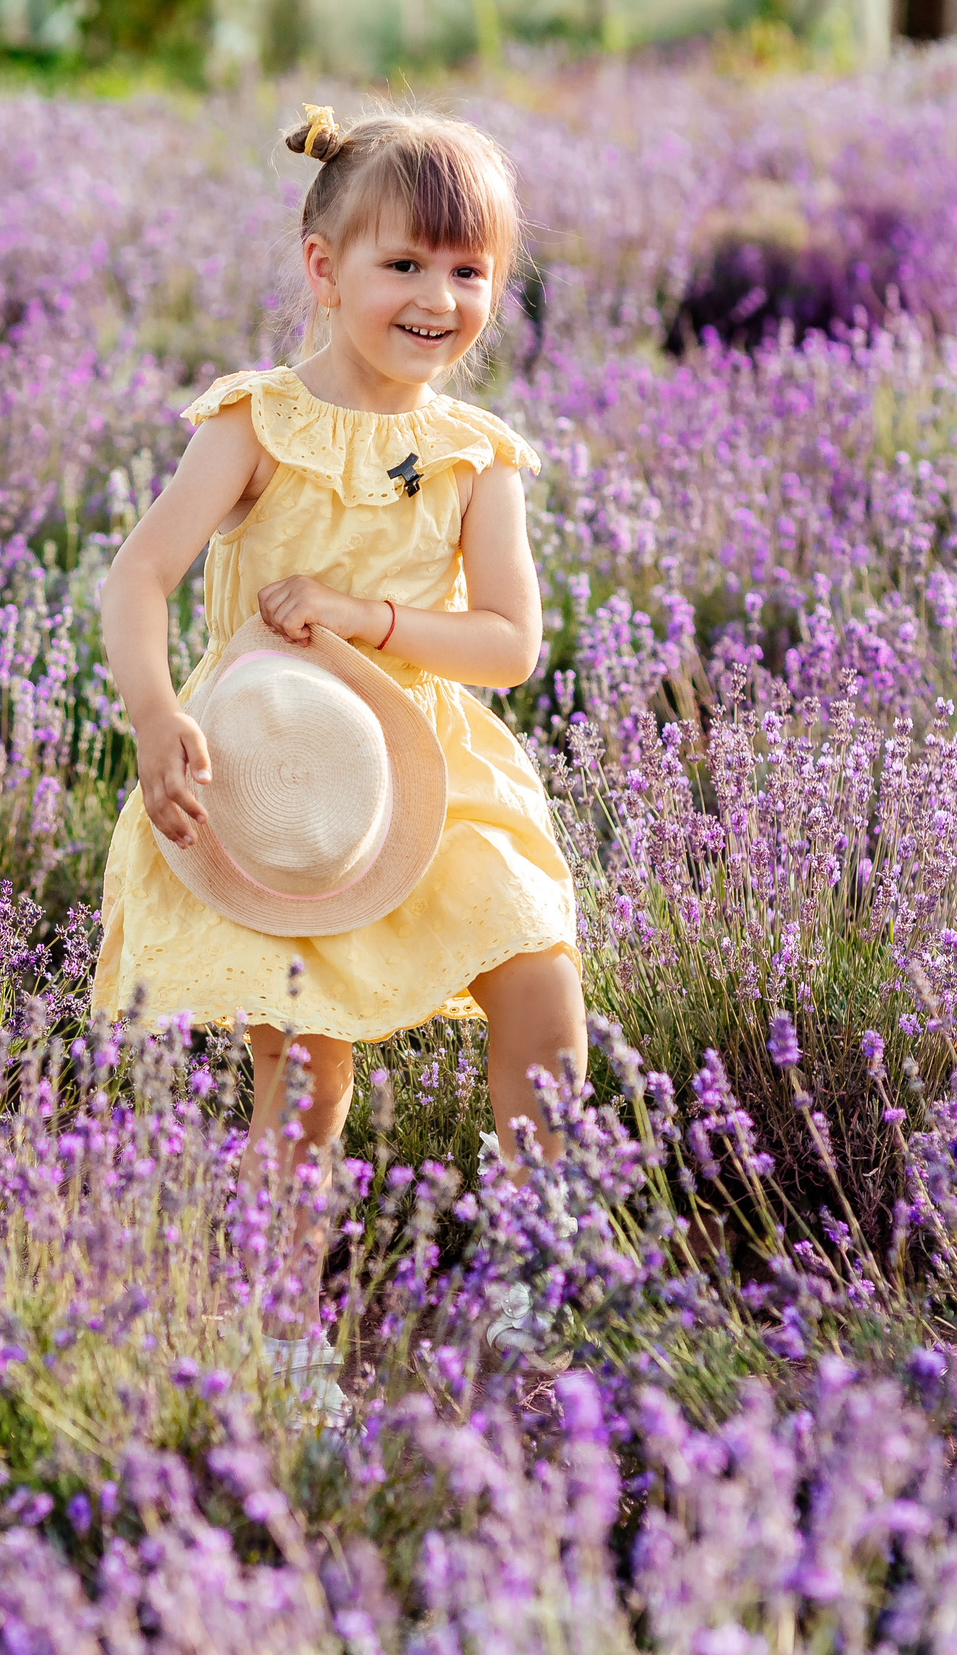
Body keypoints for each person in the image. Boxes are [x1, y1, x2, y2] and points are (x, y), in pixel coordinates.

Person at [92, 105, 590, 1411]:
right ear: (324, 268)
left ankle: (543, 1264)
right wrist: (155, 714)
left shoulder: (479, 457)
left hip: (435, 767)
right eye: (405, 265)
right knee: (302, 1070)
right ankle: (284, 1337)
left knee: (538, 972)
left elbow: (508, 641)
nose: (440, 298)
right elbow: (140, 575)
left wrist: (372, 616)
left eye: (470, 271)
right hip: (280, 783)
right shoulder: (257, 422)